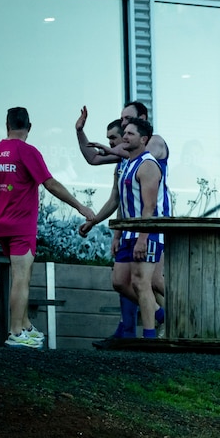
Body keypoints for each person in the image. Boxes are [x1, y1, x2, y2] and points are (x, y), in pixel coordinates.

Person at [0, 107, 95, 349]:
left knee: (24, 274)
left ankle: (24, 326)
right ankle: (15, 332)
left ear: (7, 125)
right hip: (21, 225)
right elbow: (50, 183)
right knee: (21, 278)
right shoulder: (27, 151)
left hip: (0, 224)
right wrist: (79, 206)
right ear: (29, 128)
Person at [75, 103, 170, 333]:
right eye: (122, 121)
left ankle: (175, 318)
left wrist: (112, 149)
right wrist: (80, 132)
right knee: (125, 281)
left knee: (151, 282)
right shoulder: (125, 162)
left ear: (142, 123)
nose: (124, 125)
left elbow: (148, 207)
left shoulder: (154, 144)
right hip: (131, 227)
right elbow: (95, 161)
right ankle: (160, 315)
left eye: (128, 121)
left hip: (154, 225)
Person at [78, 119, 142, 339]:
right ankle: (132, 327)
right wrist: (97, 223)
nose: (112, 143)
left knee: (145, 281)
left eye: (114, 139)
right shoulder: (121, 163)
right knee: (120, 281)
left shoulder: (145, 159)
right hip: (126, 229)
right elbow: (116, 199)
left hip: (145, 231)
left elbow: (149, 203)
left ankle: (157, 320)